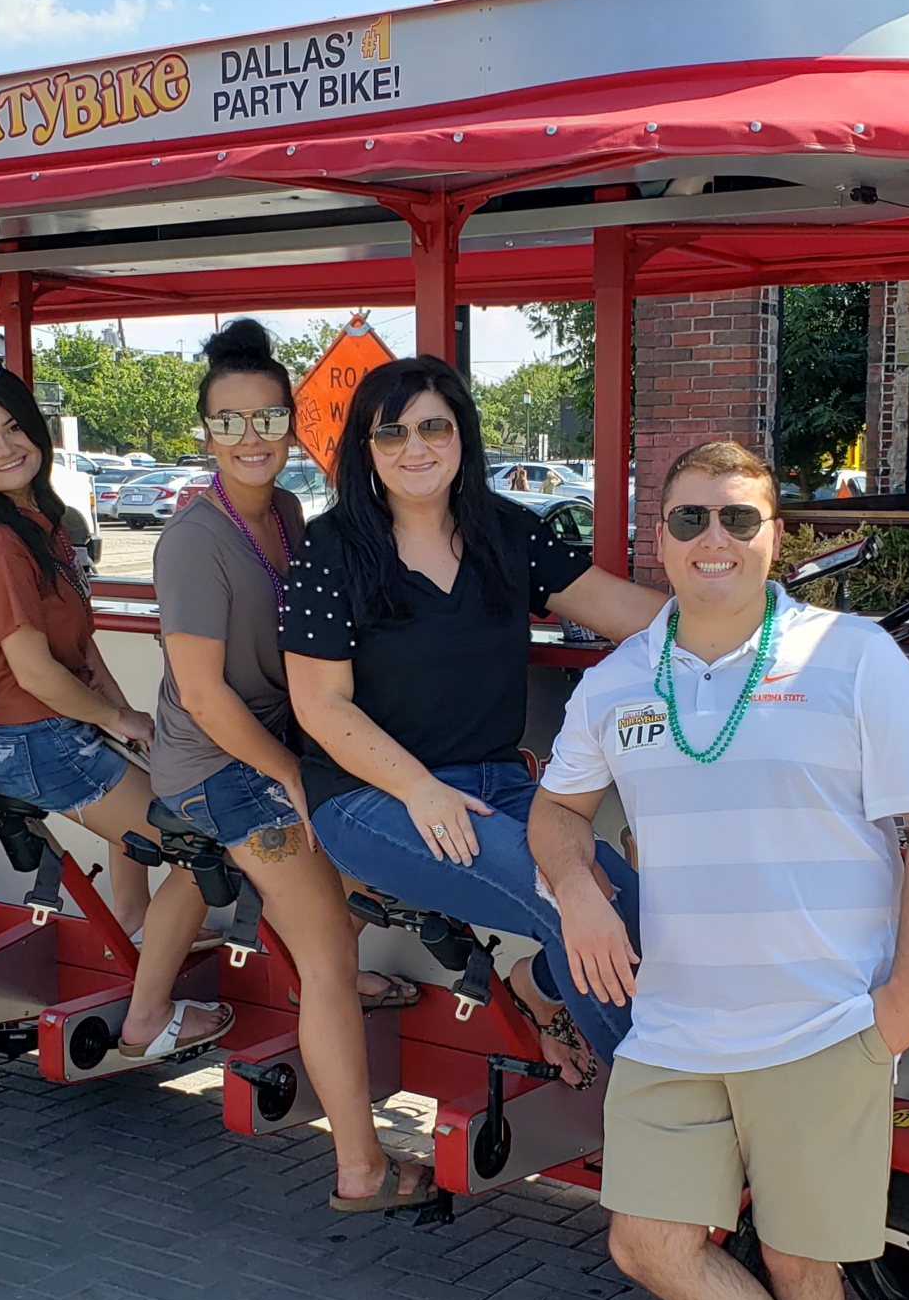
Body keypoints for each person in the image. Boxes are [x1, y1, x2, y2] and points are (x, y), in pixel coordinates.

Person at [531, 440, 909, 1300]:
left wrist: (906, 997)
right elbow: (556, 812)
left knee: (798, 1266)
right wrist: (577, 885)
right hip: (675, 1021)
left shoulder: (853, 656)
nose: (712, 540)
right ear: (657, 541)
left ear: (776, 536)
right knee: (648, 1242)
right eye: (688, 521)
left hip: (822, 1021)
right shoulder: (622, 678)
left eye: (738, 518)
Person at [283, 355, 667, 1084]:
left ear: (463, 438)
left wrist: (764, 627)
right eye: (391, 433)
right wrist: (420, 788)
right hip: (375, 799)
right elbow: (319, 705)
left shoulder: (508, 532)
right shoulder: (331, 549)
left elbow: (624, 612)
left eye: (434, 427)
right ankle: (661, 1116)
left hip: (501, 787)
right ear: (365, 447)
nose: (415, 448)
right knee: (570, 903)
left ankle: (537, 989)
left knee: (637, 909)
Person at [140, 320, 429, 1210]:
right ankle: (361, 1168)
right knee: (330, 955)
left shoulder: (292, 516)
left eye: (267, 416)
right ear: (205, 433)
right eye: (229, 422)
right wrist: (295, 776)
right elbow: (207, 695)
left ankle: (332, 962)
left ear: (292, 422)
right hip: (216, 764)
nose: (251, 437)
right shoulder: (193, 540)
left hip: (276, 746)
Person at [0, 362, 219, 1058]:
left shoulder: (41, 521)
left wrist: (129, 723)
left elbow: (81, 649)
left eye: (12, 429)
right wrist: (114, 721)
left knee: (158, 795)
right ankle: (148, 1019)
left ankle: (135, 925)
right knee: (204, 845)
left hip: (49, 728)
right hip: (30, 738)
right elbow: (34, 670)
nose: (2, 449)